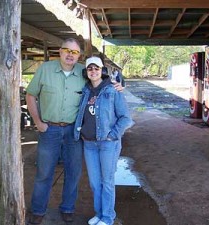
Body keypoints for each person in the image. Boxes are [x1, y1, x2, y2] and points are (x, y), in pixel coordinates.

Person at [26, 38, 123, 225]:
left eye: (75, 52)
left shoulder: (83, 71)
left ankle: (67, 208)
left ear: (79, 55)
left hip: (74, 132)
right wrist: (37, 122)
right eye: (67, 50)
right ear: (60, 51)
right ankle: (38, 210)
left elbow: (101, 82)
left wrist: (118, 86)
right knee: (44, 172)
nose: (70, 55)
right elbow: (31, 95)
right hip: (49, 129)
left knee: (73, 172)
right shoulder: (45, 69)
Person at [74, 56, 133, 225]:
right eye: (90, 68)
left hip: (108, 144)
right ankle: (99, 214)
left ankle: (108, 218)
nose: (93, 71)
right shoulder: (84, 90)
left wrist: (112, 135)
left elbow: (125, 118)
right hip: (89, 144)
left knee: (107, 181)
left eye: (97, 68)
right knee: (94, 183)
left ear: (102, 71)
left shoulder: (113, 90)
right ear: (86, 72)